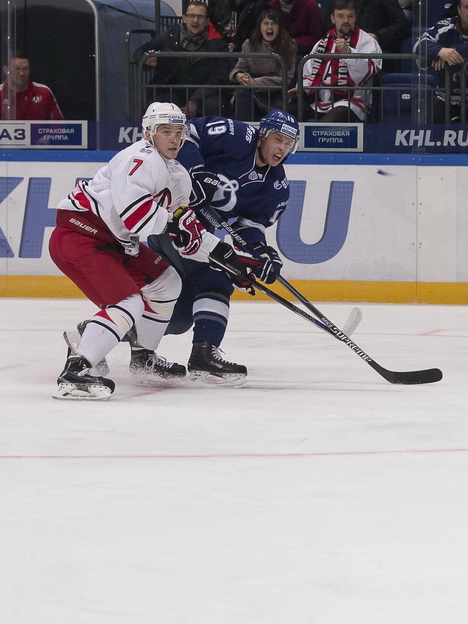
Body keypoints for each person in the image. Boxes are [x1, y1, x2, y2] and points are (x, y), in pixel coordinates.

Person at [49, 102, 261, 400]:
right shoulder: (140, 158)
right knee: (129, 302)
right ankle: (77, 370)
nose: (174, 139)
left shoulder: (177, 175)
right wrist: (174, 223)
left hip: (116, 243)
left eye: (179, 132)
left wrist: (228, 259)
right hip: (80, 236)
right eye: (166, 132)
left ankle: (143, 357)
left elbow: (189, 237)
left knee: (167, 282)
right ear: (148, 133)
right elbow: (135, 215)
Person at [146, 109, 299, 386]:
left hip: (201, 234)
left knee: (179, 315)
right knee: (216, 279)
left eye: (288, 144)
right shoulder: (235, 135)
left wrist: (259, 252)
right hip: (173, 218)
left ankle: (105, 334)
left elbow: (248, 226)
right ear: (262, 134)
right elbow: (189, 133)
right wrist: (194, 172)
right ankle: (204, 354)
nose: (281, 148)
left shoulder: (277, 186)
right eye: (278, 139)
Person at [133, 0, 233, 117]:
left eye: (200, 17)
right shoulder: (171, 34)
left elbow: (218, 78)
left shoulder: (218, 44)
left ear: (207, 21)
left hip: (206, 93)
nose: (195, 21)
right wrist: (147, 59)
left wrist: (196, 99)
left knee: (215, 105)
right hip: (174, 91)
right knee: (155, 108)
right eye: (191, 16)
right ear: (184, 18)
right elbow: (139, 51)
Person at [414, 0, 468, 124]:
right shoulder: (444, 26)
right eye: (467, 7)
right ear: (459, 9)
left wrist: (451, 52)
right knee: (431, 130)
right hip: (447, 99)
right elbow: (419, 44)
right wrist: (440, 51)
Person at [297, 0, 383, 122]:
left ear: (355, 18)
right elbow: (308, 70)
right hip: (322, 103)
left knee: (327, 122)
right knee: (287, 111)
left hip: (353, 103)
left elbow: (370, 70)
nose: (346, 21)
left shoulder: (367, 41)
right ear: (333, 19)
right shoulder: (324, 41)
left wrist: (349, 53)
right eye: (341, 16)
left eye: (350, 16)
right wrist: (302, 87)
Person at [230, 8, 298, 121]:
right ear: (260, 26)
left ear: (279, 27)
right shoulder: (249, 44)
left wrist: (255, 83)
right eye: (266, 23)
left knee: (244, 94)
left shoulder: (289, 46)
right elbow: (239, 67)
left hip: (273, 96)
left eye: (274, 24)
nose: (269, 27)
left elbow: (285, 78)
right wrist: (239, 75)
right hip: (249, 91)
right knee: (244, 94)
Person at [0, 52, 64, 121]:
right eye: (17, 69)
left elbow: (60, 127)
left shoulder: (44, 92)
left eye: (25, 69)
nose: (22, 73)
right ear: (6, 70)